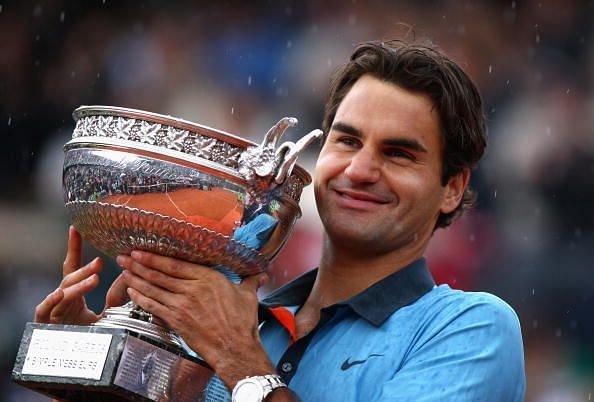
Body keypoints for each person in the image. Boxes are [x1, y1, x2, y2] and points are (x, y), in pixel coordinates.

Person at [35, 39, 526, 401]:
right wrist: (101, 367)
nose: (359, 170)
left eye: (398, 154)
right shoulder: (235, 319)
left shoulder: (470, 328)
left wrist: (238, 359)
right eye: (347, 141)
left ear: (453, 188)